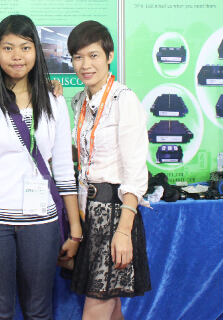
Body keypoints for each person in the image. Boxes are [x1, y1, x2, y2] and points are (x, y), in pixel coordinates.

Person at [0, 15, 81, 320]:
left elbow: (65, 172)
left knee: (39, 311)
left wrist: (76, 230)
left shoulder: (54, 104)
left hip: (42, 224)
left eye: (25, 47)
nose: (17, 56)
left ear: (36, 52)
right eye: (8, 47)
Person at [67, 21, 151, 320]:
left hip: (114, 213)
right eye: (78, 57)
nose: (85, 65)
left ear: (109, 55)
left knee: (96, 308)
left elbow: (135, 172)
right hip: (88, 211)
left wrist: (124, 231)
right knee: (110, 307)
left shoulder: (123, 100)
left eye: (93, 56)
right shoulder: (78, 102)